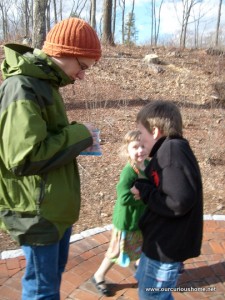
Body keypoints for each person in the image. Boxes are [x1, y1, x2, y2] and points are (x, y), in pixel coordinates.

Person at [0, 18, 101, 300]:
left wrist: (74, 134)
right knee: (42, 291)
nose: (82, 76)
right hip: (36, 213)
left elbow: (44, 139)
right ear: (63, 52)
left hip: (51, 209)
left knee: (49, 283)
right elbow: (24, 156)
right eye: (82, 66)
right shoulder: (22, 87)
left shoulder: (45, 85)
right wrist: (79, 134)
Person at [130, 100, 203, 300]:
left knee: (152, 297)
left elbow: (177, 202)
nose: (140, 139)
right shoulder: (169, 151)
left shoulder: (172, 151)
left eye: (141, 133)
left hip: (166, 246)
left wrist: (144, 192)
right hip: (159, 243)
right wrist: (145, 187)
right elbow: (168, 190)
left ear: (154, 131)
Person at [92, 130, 149, 296]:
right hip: (126, 220)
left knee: (134, 247)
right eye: (135, 147)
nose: (140, 150)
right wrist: (143, 196)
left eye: (143, 146)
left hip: (138, 219)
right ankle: (99, 275)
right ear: (127, 150)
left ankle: (137, 270)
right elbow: (123, 196)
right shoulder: (129, 172)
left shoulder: (146, 165)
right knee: (116, 251)